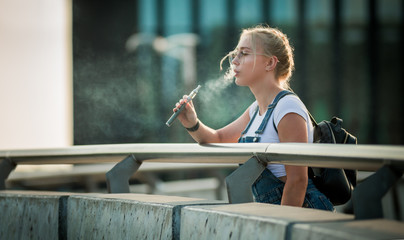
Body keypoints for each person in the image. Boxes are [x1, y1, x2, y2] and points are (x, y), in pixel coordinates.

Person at [172, 25, 334, 211]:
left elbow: (297, 181)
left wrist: (279, 228)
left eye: (245, 53)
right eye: (235, 53)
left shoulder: (287, 107)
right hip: (277, 212)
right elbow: (217, 139)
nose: (235, 61)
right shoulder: (256, 110)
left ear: (270, 63)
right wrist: (192, 123)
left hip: (301, 212)